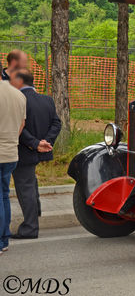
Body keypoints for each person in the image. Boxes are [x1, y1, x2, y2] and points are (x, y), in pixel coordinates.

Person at [9, 69, 61, 239]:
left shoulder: (17, 100)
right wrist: (47, 141)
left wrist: (35, 144)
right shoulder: (47, 99)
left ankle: (30, 227)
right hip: (41, 149)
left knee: (25, 189)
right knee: (31, 183)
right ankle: (36, 211)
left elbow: (18, 127)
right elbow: (56, 123)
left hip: (24, 150)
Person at [0, 79, 27, 254]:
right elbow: (22, 124)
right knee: (4, 195)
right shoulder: (19, 94)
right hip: (11, 153)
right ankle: (4, 239)